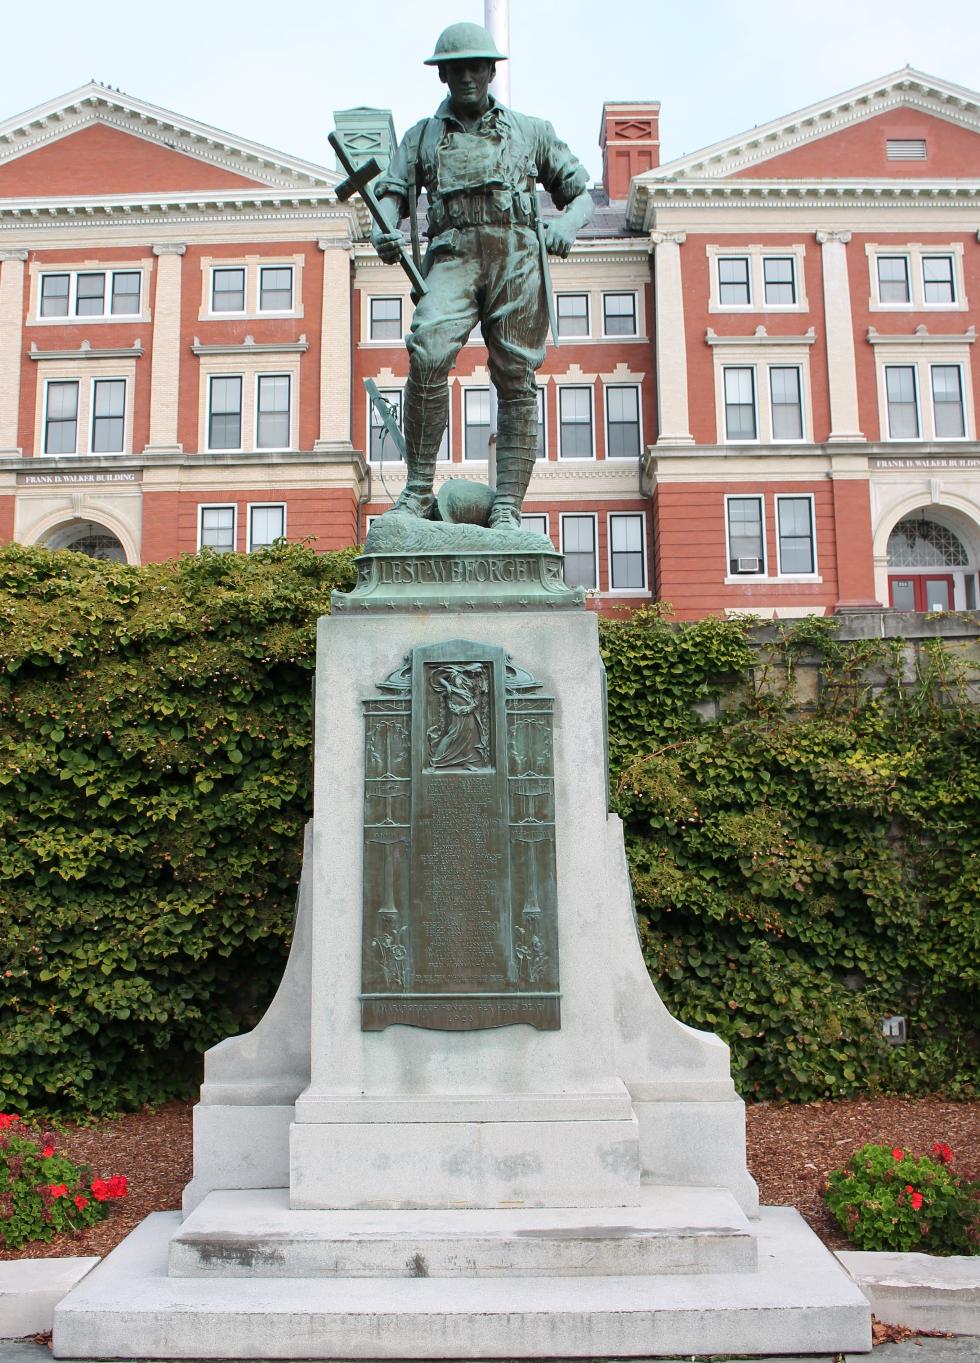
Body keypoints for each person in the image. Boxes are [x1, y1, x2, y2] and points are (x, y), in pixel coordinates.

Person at [371, 21, 593, 530]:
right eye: (456, 68)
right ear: (442, 75)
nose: (467, 77)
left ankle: (508, 508)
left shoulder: (531, 130)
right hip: (452, 253)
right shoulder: (421, 135)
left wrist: (566, 225)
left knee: (516, 378)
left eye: (476, 66)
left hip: (516, 254)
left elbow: (579, 193)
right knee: (427, 351)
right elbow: (389, 195)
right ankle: (418, 491)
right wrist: (381, 230)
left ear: (491, 71)